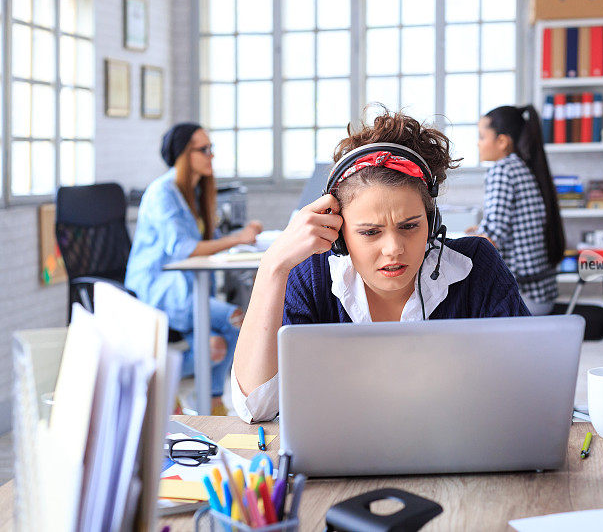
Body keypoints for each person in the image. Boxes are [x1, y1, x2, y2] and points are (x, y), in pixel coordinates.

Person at [231, 110, 531, 423]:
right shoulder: (312, 277)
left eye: (410, 226)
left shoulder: (475, 266)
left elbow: (528, 387)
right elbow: (257, 408)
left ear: (432, 223)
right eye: (370, 232)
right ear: (340, 234)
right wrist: (272, 267)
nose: (394, 249)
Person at [125, 122, 263, 415]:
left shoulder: (196, 191)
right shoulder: (163, 192)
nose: (211, 155)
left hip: (188, 291)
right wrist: (237, 238)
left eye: (211, 148)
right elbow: (182, 248)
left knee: (216, 345)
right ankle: (195, 395)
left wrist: (238, 239)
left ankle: (199, 400)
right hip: (161, 291)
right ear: (184, 154)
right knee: (235, 318)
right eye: (204, 149)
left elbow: (205, 244)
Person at [473, 105, 565, 316]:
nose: (478, 143)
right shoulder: (523, 167)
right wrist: (478, 230)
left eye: (482, 136)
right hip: (542, 294)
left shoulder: (502, 170)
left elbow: (493, 237)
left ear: (503, 141)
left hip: (523, 297)